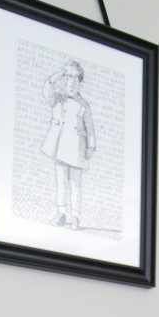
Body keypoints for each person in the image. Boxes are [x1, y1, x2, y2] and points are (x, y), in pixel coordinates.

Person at [40, 60, 96, 230]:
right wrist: (59, 75)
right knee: (61, 181)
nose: (71, 84)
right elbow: (46, 90)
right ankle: (61, 213)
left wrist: (90, 148)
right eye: (68, 79)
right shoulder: (58, 98)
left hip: (77, 149)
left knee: (75, 184)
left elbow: (90, 128)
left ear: (81, 83)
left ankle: (76, 216)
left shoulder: (84, 105)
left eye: (75, 80)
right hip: (60, 147)